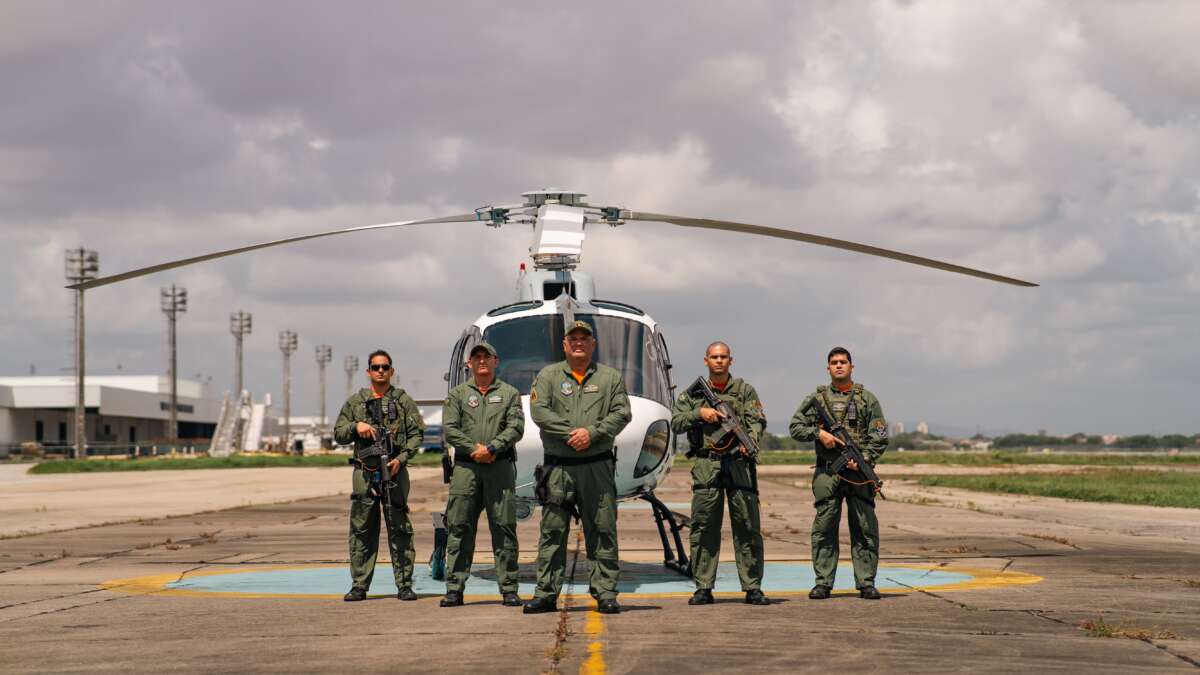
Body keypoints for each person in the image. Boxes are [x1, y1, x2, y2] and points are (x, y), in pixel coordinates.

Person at [523, 320, 632, 615]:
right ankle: (546, 594)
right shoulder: (547, 376)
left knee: (602, 530)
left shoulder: (610, 378)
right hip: (558, 468)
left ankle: (606, 592)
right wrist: (573, 432)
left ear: (593, 344)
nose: (579, 342)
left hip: (596, 466)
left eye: (585, 338)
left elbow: (622, 412)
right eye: (574, 338)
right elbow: (539, 412)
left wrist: (592, 434)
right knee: (552, 532)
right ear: (565, 344)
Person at [671, 341, 770, 606]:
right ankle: (703, 586)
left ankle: (752, 586)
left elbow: (758, 421)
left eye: (723, 357)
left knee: (748, 526)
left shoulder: (745, 391)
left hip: (739, 463)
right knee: (704, 527)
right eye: (714, 357)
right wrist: (699, 413)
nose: (719, 361)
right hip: (707, 464)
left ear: (731, 360)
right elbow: (675, 421)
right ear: (706, 360)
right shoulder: (694, 394)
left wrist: (749, 441)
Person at [789, 347, 888, 600]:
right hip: (828, 473)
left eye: (843, 362)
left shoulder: (867, 399)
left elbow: (879, 436)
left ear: (852, 366)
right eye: (834, 362)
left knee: (865, 528)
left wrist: (863, 458)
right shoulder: (817, 399)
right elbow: (795, 426)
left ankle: (866, 582)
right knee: (824, 528)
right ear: (828, 368)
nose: (839, 366)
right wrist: (818, 434)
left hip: (858, 474)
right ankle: (823, 582)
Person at [334, 349, 425, 602]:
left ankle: (405, 584)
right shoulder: (356, 402)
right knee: (362, 528)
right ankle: (359, 585)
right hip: (365, 473)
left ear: (391, 371)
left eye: (385, 367)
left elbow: (417, 434)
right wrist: (356, 426)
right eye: (376, 367)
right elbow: (339, 433)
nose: (381, 371)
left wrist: (401, 459)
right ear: (368, 371)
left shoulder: (403, 400)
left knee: (400, 527)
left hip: (395, 470)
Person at [439, 342, 525, 608]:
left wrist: (493, 448)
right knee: (460, 527)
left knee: (504, 527)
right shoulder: (458, 395)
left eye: (486, 356)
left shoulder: (510, 394)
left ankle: (509, 588)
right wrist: (473, 449)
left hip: (499, 468)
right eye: (476, 357)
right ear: (469, 364)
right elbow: (450, 429)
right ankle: (455, 588)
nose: (481, 361)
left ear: (496, 361)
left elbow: (516, 427)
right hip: (466, 469)